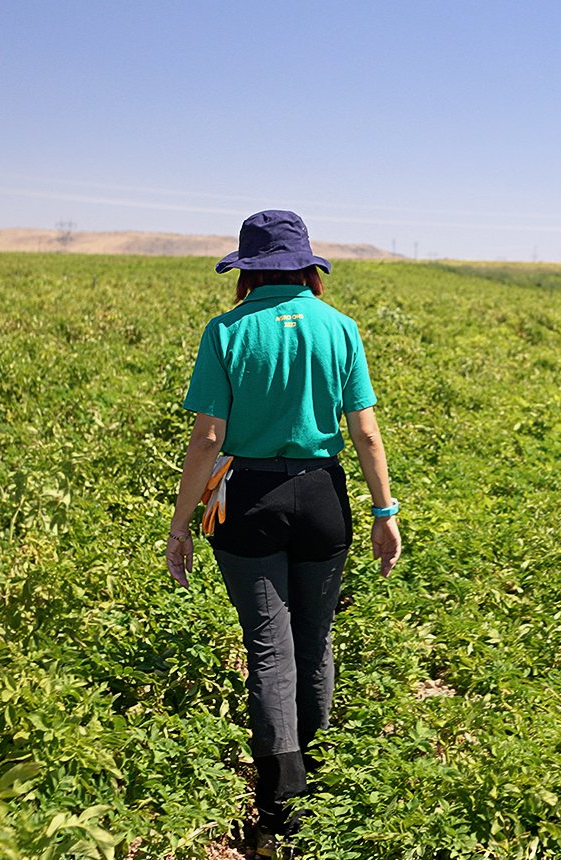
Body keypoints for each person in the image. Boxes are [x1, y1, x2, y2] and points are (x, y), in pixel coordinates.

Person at [164, 210, 402, 855]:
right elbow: (367, 433)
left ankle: (279, 808)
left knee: (269, 645)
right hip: (323, 496)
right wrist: (385, 513)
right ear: (306, 266)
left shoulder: (227, 331)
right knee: (314, 639)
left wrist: (181, 525)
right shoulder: (340, 328)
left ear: (247, 271)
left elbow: (209, 438)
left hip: (250, 498)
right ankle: (321, 784)